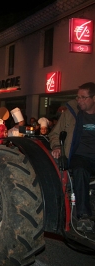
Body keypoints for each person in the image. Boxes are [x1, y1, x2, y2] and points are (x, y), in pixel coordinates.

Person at [49, 82, 95, 232]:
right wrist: (56, 146)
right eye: (78, 97)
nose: (79, 100)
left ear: (94, 98)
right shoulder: (71, 113)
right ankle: (84, 216)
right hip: (79, 155)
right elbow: (54, 133)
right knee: (80, 170)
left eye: (83, 97)